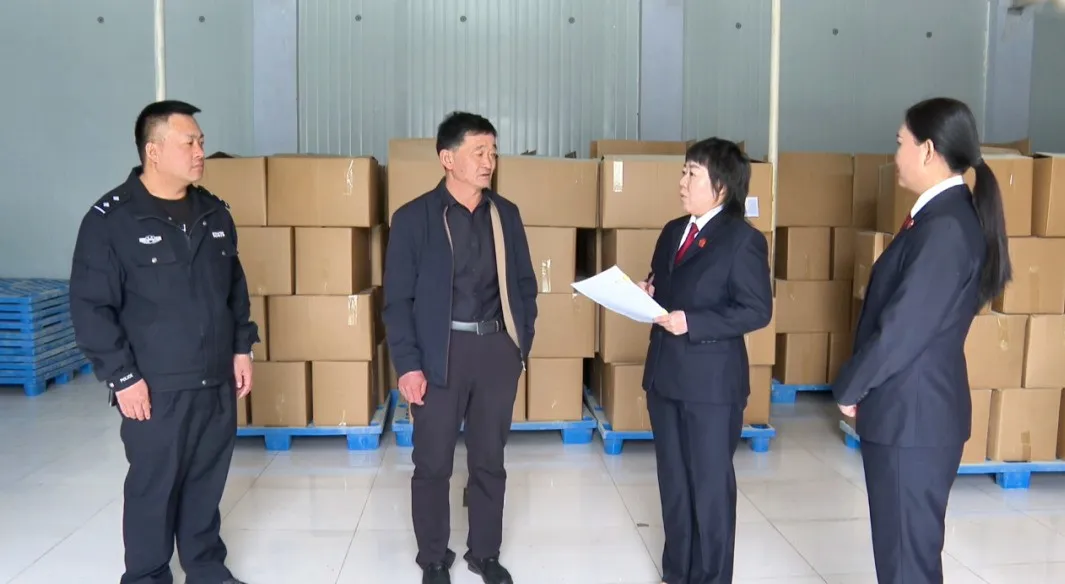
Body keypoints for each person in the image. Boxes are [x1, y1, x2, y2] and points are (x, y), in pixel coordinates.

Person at [69, 100, 258, 584]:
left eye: (201, 142)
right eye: (188, 142)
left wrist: (242, 347)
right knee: (154, 487)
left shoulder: (214, 212)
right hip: (155, 386)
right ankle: (147, 576)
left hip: (215, 378)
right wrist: (122, 377)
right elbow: (91, 308)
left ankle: (206, 568)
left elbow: (234, 288)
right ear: (153, 151)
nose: (200, 152)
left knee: (206, 482)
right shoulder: (111, 220)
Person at [832, 97, 1012, 584]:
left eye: (900, 143)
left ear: (928, 150)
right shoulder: (938, 218)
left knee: (906, 563)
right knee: (905, 556)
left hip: (912, 419)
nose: (895, 155)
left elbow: (903, 328)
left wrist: (851, 386)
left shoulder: (946, 227)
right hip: (910, 413)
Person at [383, 112, 537, 584]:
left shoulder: (506, 215)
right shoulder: (413, 219)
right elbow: (397, 301)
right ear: (447, 159)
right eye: (478, 152)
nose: (489, 161)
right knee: (432, 462)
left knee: (490, 459)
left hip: (495, 351)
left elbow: (525, 285)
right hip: (439, 353)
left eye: (493, 152)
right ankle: (433, 557)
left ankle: (484, 553)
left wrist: (519, 345)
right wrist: (408, 366)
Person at [637, 138, 773, 584]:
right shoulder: (672, 230)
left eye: (692, 173)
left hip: (711, 386)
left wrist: (693, 322)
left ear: (721, 186)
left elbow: (756, 310)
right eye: (684, 171)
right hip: (665, 377)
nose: (682, 182)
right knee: (674, 484)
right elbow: (664, 283)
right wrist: (647, 292)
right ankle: (677, 573)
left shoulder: (742, 240)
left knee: (710, 488)